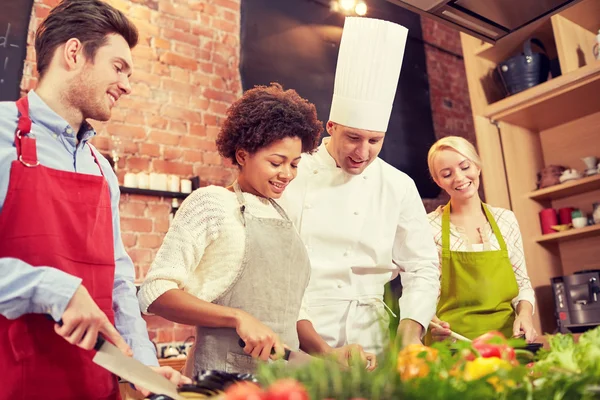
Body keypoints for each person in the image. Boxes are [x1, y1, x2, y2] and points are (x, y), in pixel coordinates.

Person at [0, 1, 188, 399]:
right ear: (73, 54)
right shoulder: (2, 135)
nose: (127, 84)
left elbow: (119, 283)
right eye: (118, 67)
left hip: (93, 387)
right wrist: (51, 287)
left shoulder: (102, 169)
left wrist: (144, 368)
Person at [278, 17, 441, 359]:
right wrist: (319, 349)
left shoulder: (397, 185)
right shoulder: (293, 171)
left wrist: (412, 333)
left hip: (374, 340)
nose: (362, 152)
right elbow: (275, 265)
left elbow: (422, 266)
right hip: (302, 335)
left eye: (374, 140)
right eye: (352, 137)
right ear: (331, 126)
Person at [137, 83, 326, 377]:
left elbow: (291, 311)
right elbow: (154, 293)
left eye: (294, 164)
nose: (287, 174)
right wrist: (236, 317)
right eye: (276, 162)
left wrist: (328, 354)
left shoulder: (283, 213)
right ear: (241, 155)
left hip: (284, 385)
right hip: (223, 382)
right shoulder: (212, 204)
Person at [426, 136, 537, 343]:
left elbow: (522, 284)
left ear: (477, 166)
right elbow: (424, 292)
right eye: (447, 174)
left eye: (465, 166)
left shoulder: (506, 220)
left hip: (506, 342)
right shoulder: (428, 227)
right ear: (438, 181)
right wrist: (430, 321)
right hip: (452, 344)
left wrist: (525, 316)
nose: (459, 178)